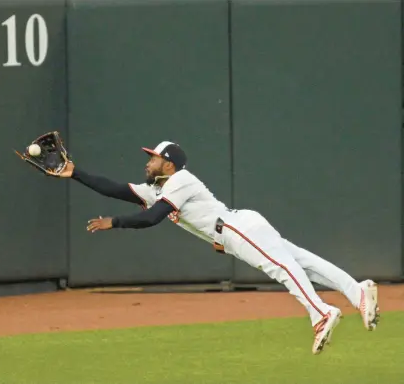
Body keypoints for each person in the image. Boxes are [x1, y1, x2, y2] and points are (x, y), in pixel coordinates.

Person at [58, 140, 379, 355]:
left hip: (237, 228)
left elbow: (152, 219)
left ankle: (320, 311)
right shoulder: (159, 187)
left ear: (169, 165)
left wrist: (114, 223)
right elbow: (114, 189)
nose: (149, 161)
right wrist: (75, 174)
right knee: (301, 261)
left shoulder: (180, 180)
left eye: (154, 157)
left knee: (283, 268)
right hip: (234, 232)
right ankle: (358, 293)